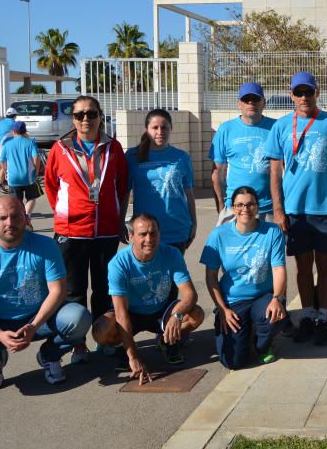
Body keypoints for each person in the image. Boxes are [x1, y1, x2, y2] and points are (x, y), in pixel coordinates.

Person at [0, 196, 91, 389]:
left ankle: (49, 356)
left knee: (78, 317)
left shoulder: (46, 246)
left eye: (16, 217)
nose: (9, 223)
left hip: (39, 318)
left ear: (26, 218)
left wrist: (32, 326)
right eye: (2, 218)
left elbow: (58, 290)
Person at [44, 95, 128, 362]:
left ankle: (105, 339)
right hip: (71, 232)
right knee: (74, 291)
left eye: (91, 114)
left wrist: (118, 219)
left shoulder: (113, 148)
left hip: (105, 231)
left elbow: (122, 186)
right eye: (79, 115)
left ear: (100, 116)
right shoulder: (60, 149)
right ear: (73, 119)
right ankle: (77, 344)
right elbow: (51, 186)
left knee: (104, 288)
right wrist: (68, 214)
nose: (85, 120)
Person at [265, 71, 327, 345]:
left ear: (318, 92)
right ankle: (307, 315)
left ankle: (323, 318)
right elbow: (274, 172)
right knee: (303, 268)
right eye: (299, 93)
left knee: (326, 266)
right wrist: (279, 210)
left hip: (326, 208)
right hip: (296, 210)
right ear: (291, 94)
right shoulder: (281, 127)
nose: (304, 97)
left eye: (309, 92)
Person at [93, 213, 205, 383]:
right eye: (142, 234)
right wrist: (134, 356)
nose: (149, 239)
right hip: (131, 313)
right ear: (131, 237)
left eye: (153, 233)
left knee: (196, 315)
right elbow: (121, 314)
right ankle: (124, 350)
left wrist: (177, 315)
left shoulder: (172, 254)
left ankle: (166, 341)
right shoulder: (118, 264)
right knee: (101, 330)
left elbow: (190, 294)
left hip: (160, 311)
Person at [200, 186, 287, 368]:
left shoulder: (272, 232)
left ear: (257, 206)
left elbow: (279, 269)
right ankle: (241, 332)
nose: (245, 209)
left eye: (250, 204)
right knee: (232, 362)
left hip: (263, 296)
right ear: (232, 208)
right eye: (239, 205)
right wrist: (222, 308)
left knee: (274, 316)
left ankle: (261, 344)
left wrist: (277, 298)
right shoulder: (219, 235)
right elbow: (211, 277)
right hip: (233, 300)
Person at [125, 109, 197, 254]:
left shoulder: (181, 157)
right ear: (146, 129)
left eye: (164, 127)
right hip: (146, 231)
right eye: (155, 127)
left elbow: (188, 192)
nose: (160, 132)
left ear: (171, 128)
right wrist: (121, 223)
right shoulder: (132, 156)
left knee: (173, 276)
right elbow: (124, 193)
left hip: (176, 228)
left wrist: (194, 223)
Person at [211, 82, 275, 226]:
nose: (251, 102)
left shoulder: (276, 128)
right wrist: (222, 206)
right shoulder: (226, 130)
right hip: (235, 208)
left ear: (263, 102)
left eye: (255, 99)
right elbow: (217, 173)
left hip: (268, 209)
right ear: (239, 103)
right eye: (246, 99)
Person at [0, 121, 42, 226]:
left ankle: (18, 221)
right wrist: (36, 171)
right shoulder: (30, 142)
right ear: (25, 131)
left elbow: (2, 160)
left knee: (16, 202)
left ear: (14, 131)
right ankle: (27, 216)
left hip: (13, 178)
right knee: (31, 198)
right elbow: (36, 157)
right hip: (28, 177)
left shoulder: (7, 144)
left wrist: (5, 172)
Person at [0, 107, 18, 192]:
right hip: (2, 144)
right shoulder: (14, 123)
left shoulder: (1, 122)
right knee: (4, 164)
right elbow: (17, 134)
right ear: (15, 115)